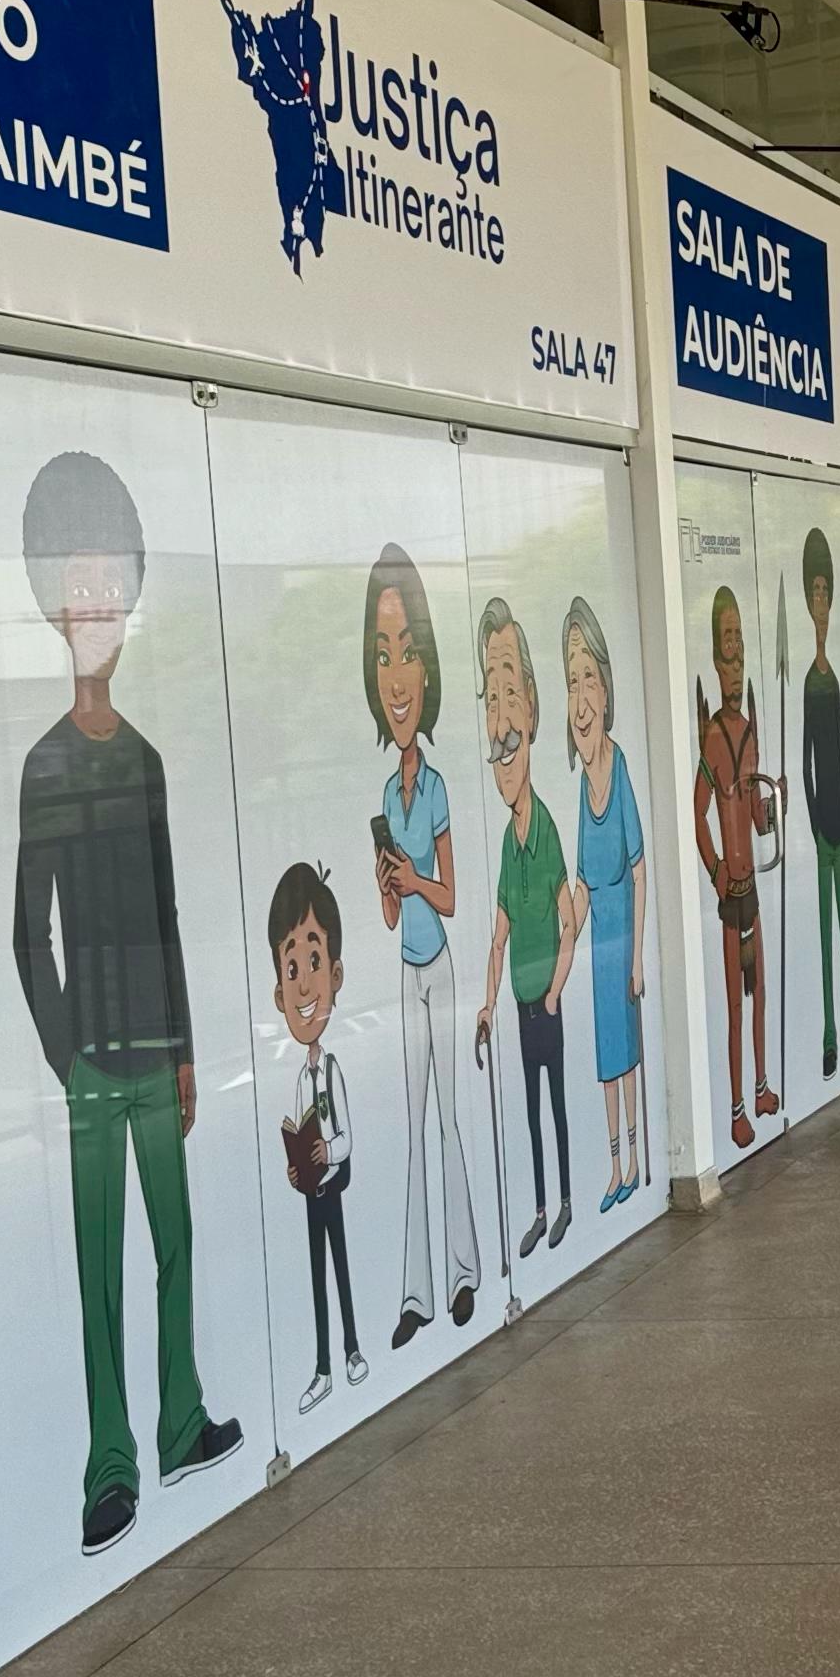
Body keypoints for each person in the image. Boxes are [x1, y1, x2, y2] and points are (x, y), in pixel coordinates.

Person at [12, 453, 236, 1557]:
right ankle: (112, 1467)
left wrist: (185, 1049)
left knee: (175, 1245)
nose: (96, 599)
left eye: (112, 579)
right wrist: (68, 1061)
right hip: (96, 1067)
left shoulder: (141, 761)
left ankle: (182, 1421)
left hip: (156, 1054)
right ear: (57, 603)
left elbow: (168, 912)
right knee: (102, 1266)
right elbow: (26, 932)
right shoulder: (47, 766)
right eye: (78, 579)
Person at [365, 545, 481, 1346]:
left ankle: (466, 1274)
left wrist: (412, 879)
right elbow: (387, 911)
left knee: (446, 1124)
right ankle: (415, 1295)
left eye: (409, 654)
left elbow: (450, 896)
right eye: (383, 657)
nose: (397, 677)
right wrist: (386, 881)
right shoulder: (384, 793)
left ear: (429, 672)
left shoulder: (434, 788)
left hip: (437, 964)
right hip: (404, 972)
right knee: (410, 1128)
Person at [469, 598, 578, 1258]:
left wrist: (558, 991)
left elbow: (569, 928)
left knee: (559, 1104)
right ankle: (539, 1207)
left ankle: (566, 1200)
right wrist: (487, 1001)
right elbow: (498, 935)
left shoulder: (547, 832)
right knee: (531, 1112)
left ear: (533, 710)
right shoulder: (509, 847)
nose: (501, 726)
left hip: (547, 1001)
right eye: (490, 698)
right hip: (517, 1003)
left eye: (512, 694)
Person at [565, 597, 652, 1208]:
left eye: (588, 677)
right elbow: (581, 889)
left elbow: (640, 869)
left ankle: (640, 1158)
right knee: (605, 1061)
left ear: (606, 689)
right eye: (572, 682)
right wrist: (556, 926)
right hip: (599, 947)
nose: (581, 698)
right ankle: (617, 1168)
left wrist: (639, 956)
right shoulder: (578, 786)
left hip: (625, 944)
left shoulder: (619, 767)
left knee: (631, 1056)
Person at [267, 863, 364, 1410]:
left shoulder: (329, 1072)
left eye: (313, 960)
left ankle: (351, 1350)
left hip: (334, 1188)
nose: (304, 982)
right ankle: (324, 1364)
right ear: (280, 995)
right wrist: (296, 1164)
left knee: (342, 1267)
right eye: (291, 967)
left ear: (336, 972)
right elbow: (303, 1130)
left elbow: (344, 1134)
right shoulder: (302, 1079)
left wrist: (329, 1150)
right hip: (311, 1192)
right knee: (315, 1276)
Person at [689, 585, 779, 1147]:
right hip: (731, 894)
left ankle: (764, 1083)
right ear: (715, 657)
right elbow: (699, 812)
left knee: (760, 990)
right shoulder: (715, 738)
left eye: (740, 639)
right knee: (732, 1003)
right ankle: (737, 1106)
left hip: (754, 885)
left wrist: (772, 803)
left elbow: (757, 818)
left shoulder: (749, 735)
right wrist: (716, 868)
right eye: (727, 641)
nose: (736, 651)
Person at [799, 527, 840, 1070]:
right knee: (824, 932)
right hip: (824, 824)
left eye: (826, 592)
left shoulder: (836, 675)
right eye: (813, 592)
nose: (820, 601)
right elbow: (806, 762)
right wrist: (819, 822)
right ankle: (825, 1032)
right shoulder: (809, 683)